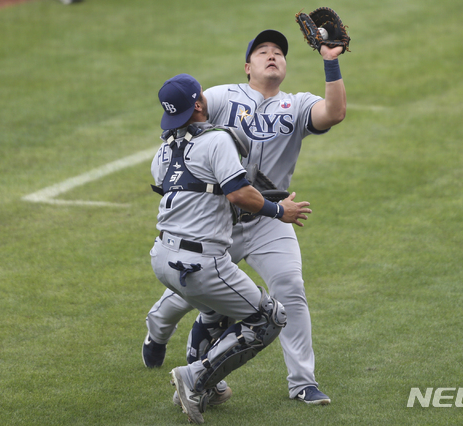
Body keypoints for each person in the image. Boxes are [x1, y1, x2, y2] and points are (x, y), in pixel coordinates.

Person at [143, 29, 346, 405]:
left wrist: (330, 61)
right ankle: (156, 330)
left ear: (284, 66)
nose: (272, 55)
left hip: (271, 219)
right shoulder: (222, 96)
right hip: (221, 220)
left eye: (278, 53)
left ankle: (302, 382)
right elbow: (182, 127)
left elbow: (334, 113)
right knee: (189, 294)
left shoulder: (298, 104)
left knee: (290, 288)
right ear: (247, 66)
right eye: (262, 51)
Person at [150, 73, 312, 424]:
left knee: (214, 312)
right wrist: (279, 211)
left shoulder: (163, 151)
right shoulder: (217, 139)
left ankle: (208, 386)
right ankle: (195, 378)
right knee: (270, 317)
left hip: (162, 258)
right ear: (198, 104)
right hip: (200, 263)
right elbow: (238, 193)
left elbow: (193, 195)